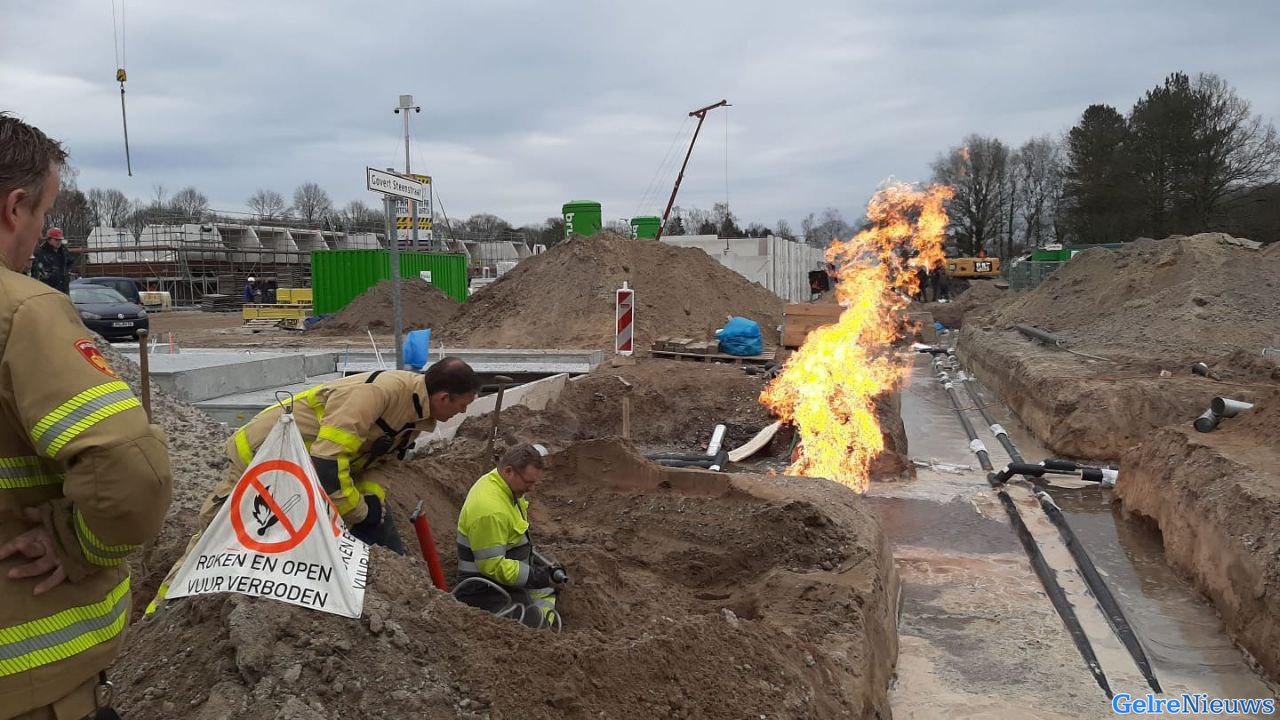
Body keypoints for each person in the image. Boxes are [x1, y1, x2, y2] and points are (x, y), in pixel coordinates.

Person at [0, 113, 173, 719]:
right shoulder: (24, 314)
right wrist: (77, 542)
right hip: (29, 686)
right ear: (13, 208)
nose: (43, 231)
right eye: (45, 212)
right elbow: (136, 477)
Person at [147, 356, 480, 612]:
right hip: (265, 460)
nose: (460, 413)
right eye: (461, 406)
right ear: (443, 396)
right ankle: (160, 612)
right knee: (218, 537)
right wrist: (360, 513)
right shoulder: (374, 396)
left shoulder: (417, 412)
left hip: (302, 469)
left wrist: (372, 500)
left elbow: (381, 462)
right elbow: (328, 467)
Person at [455, 444, 566, 630]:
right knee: (534, 627)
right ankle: (544, 626)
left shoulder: (504, 485)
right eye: (528, 483)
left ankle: (540, 610)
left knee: (549, 568)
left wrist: (542, 572)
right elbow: (493, 566)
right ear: (509, 471)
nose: (531, 489)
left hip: (504, 571)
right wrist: (537, 577)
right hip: (484, 590)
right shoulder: (489, 509)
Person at [30, 226, 74, 294]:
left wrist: (67, 272)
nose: (58, 242)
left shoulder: (64, 251)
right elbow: (35, 271)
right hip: (47, 290)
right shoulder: (41, 253)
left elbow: (71, 262)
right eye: (56, 240)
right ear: (49, 240)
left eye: (60, 240)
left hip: (63, 289)